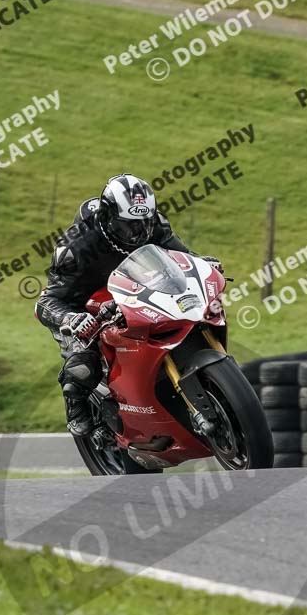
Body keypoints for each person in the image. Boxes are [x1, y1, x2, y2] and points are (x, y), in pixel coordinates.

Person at [36, 173, 220, 436]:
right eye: (128, 225)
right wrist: (70, 319)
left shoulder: (153, 223)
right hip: (83, 303)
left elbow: (182, 257)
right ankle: (76, 406)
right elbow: (47, 301)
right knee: (83, 365)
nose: (138, 233)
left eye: (143, 223)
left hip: (131, 289)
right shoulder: (76, 247)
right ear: (108, 216)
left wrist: (202, 265)